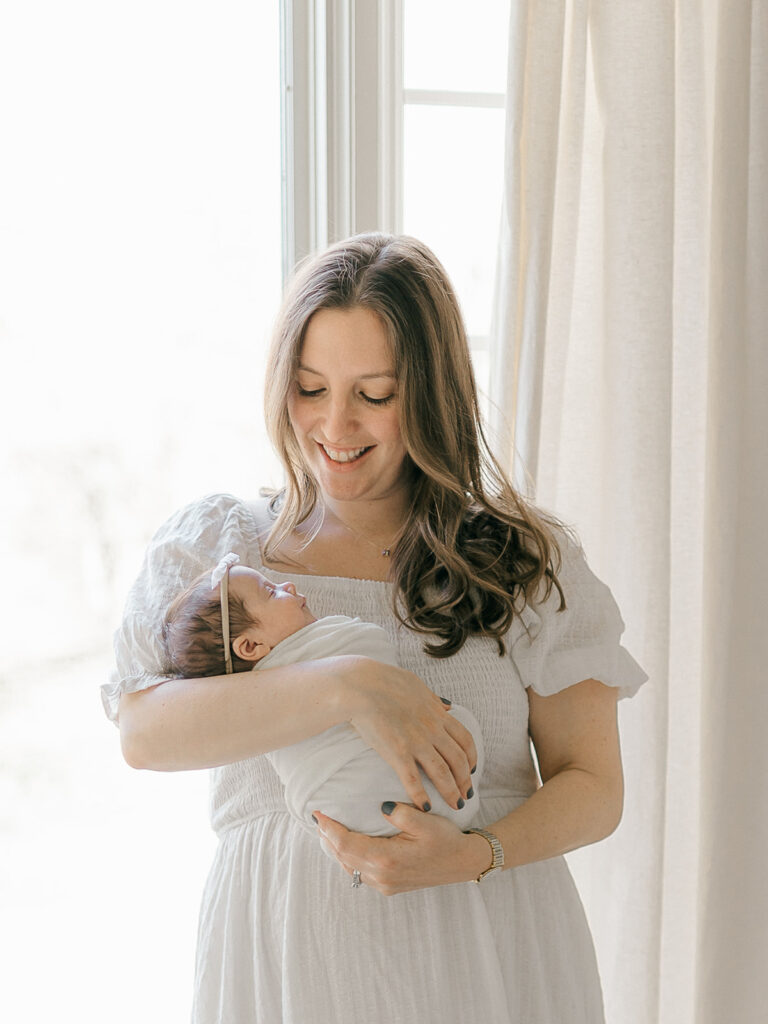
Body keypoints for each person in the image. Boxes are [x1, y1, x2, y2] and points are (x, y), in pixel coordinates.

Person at [103, 233, 647, 1023]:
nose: (335, 424)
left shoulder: (520, 560)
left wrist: (475, 855)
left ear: (430, 394)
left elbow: (594, 787)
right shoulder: (225, 552)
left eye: (375, 393)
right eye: (310, 386)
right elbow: (145, 734)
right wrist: (345, 684)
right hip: (289, 958)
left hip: (488, 948)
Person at [160, 553, 485, 836]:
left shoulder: (260, 696)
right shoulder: (274, 686)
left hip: (331, 804)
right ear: (250, 646)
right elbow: (371, 642)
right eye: (271, 592)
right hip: (356, 784)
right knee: (460, 722)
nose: (286, 586)